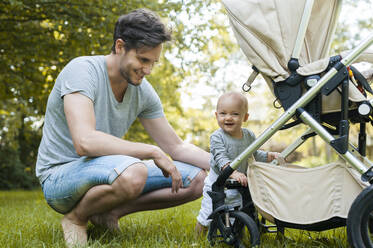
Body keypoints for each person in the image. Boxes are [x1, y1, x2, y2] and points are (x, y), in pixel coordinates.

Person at [35, 8, 210, 247]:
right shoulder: (82, 71)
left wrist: (231, 164)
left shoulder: (142, 90)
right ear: (120, 47)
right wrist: (151, 151)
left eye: (153, 62)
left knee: (198, 179)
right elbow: (84, 141)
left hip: (106, 170)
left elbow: (176, 146)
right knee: (134, 171)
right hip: (59, 176)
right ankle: (76, 219)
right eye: (143, 60)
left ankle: (107, 213)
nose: (148, 70)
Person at [195, 91, 281, 234]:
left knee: (237, 213)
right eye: (223, 113)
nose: (228, 118)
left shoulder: (248, 135)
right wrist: (232, 172)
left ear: (245, 117)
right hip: (218, 184)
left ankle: (235, 237)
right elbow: (220, 158)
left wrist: (269, 156)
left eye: (235, 114)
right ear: (216, 115)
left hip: (238, 183)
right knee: (208, 213)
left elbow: (252, 155)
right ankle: (196, 239)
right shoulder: (217, 137)